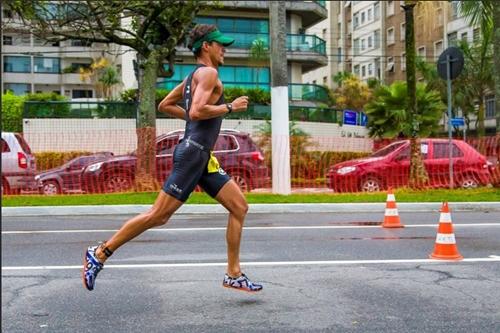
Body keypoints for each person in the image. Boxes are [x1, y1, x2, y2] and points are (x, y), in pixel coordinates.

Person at [83, 24, 263, 293]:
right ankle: (100, 252)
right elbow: (198, 110)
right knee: (158, 215)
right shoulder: (209, 73)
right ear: (206, 46)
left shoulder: (193, 77)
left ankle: (233, 274)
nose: (224, 48)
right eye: (219, 44)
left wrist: (196, 116)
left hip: (202, 155)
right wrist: (229, 107)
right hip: (192, 154)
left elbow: (165, 105)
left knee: (239, 207)